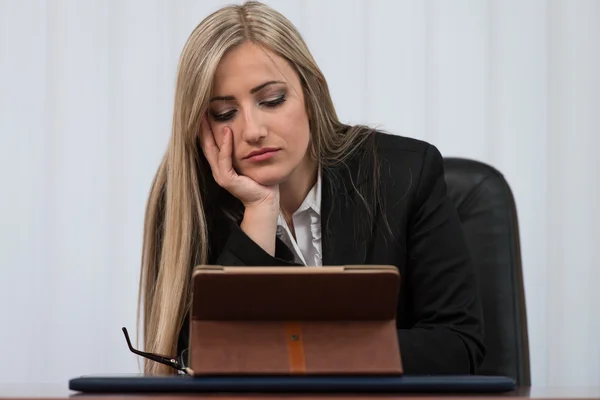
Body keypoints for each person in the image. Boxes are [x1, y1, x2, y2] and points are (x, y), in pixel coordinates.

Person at [137, 0, 485, 377]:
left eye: (272, 100)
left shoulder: (403, 172)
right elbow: (203, 364)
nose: (253, 130)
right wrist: (258, 213)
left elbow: (458, 344)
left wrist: (308, 351)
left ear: (311, 93)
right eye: (225, 113)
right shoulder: (188, 200)